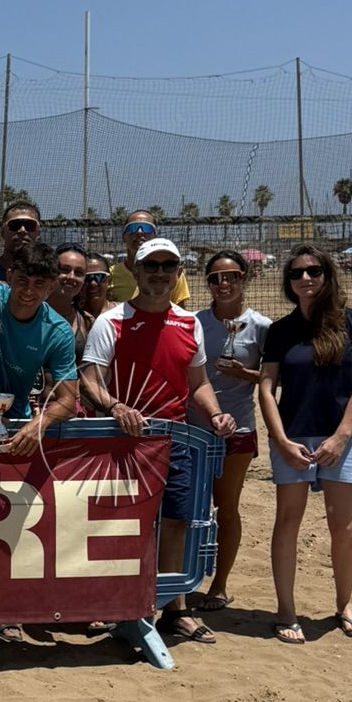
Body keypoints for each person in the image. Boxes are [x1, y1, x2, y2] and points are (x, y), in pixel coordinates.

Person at [80, 237, 236, 646]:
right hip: (122, 441)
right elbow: (89, 380)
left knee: (177, 522)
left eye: (169, 266)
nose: (160, 274)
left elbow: (197, 383)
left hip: (175, 440)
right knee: (121, 524)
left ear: (178, 273)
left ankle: (175, 609)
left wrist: (216, 413)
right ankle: (109, 603)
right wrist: (115, 407)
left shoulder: (190, 323)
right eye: (152, 266)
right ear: (136, 270)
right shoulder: (112, 321)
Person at [258, 246, 352, 645]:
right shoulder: (281, 330)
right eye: (296, 274)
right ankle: (286, 610)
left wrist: (343, 435)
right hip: (293, 436)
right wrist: (280, 439)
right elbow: (266, 386)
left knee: (342, 526)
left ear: (327, 275)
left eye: (313, 271)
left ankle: (344, 604)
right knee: (287, 522)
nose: (305, 279)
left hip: (341, 436)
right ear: (288, 282)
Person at [193, 249, 272, 612]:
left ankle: (219, 585)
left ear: (245, 279)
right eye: (215, 278)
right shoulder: (195, 322)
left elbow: (274, 380)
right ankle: (183, 581)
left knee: (226, 509)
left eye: (232, 277)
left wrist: (245, 375)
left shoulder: (261, 326)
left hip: (238, 429)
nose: (223, 284)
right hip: (193, 429)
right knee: (191, 508)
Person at [0, 243, 80, 456]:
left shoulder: (59, 331)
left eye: (38, 284)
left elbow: (68, 401)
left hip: (17, 422)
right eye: (22, 280)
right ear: (9, 276)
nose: (28, 291)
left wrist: (40, 424)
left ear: (51, 287)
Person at [108, 209, 191, 306]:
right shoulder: (111, 274)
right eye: (132, 228)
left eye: (147, 228)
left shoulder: (171, 272)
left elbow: (180, 314)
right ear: (124, 236)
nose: (139, 232)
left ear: (155, 235)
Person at [49, 245, 94, 351]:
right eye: (64, 270)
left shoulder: (87, 321)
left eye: (78, 273)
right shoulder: (31, 311)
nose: (71, 277)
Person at [0, 200, 43, 282]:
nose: (22, 230)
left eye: (30, 225)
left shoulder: (47, 275)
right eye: (15, 225)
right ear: (3, 232)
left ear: (38, 233)